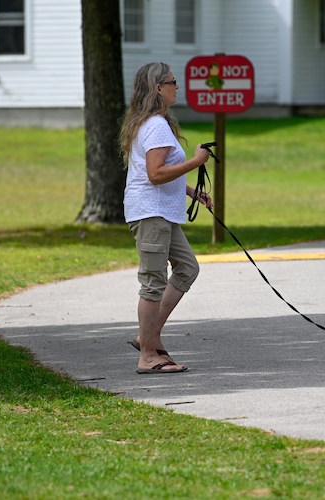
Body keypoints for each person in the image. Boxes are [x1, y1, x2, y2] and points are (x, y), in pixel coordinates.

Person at [119, 62, 212, 374]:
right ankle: (147, 355)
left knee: (187, 268)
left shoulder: (155, 123)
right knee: (153, 283)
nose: (177, 86)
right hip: (151, 213)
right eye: (172, 82)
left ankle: (148, 337)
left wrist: (190, 191)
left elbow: (156, 173)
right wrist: (197, 161)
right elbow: (156, 174)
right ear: (158, 88)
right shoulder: (155, 125)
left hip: (162, 212)